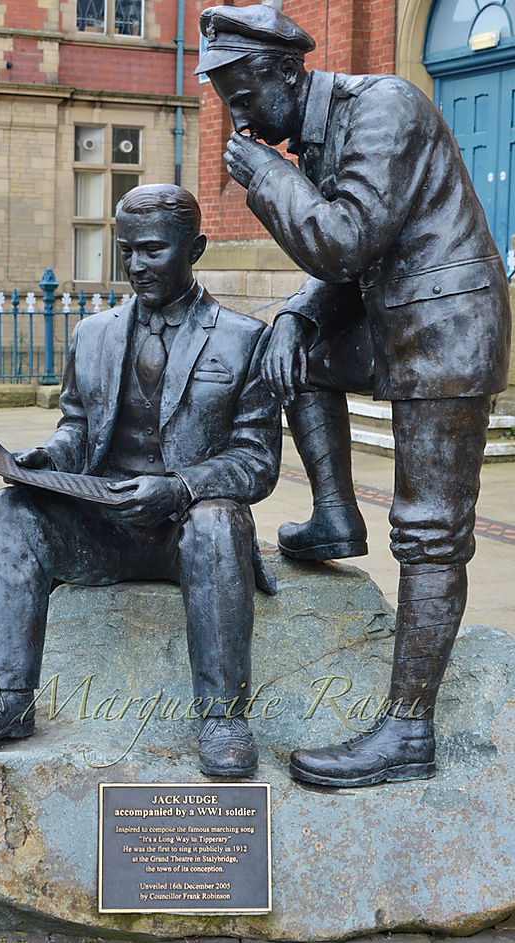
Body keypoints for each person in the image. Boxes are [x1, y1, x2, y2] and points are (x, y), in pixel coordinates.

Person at [196, 5, 511, 786]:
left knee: (429, 531)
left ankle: (408, 730)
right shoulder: (318, 133)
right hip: (396, 317)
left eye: (244, 95)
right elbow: (348, 263)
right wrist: (297, 316)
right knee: (291, 352)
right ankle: (336, 515)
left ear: (287, 70)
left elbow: (343, 241)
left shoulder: (383, 107)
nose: (239, 119)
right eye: (227, 102)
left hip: (449, 328)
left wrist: (267, 176)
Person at [0, 183, 281, 778]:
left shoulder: (244, 340)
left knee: (219, 520)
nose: (136, 265)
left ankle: (223, 716)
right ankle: (8, 700)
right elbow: (76, 426)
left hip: (187, 530)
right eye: (126, 251)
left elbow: (256, 460)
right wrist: (48, 458)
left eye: (153, 250)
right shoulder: (92, 334)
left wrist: (180, 487)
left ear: (194, 249)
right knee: (8, 511)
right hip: (104, 528)